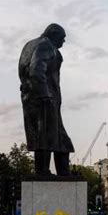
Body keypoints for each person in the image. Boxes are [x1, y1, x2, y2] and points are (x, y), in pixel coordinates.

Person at [19, 23, 74, 176]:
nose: (64, 42)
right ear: (54, 35)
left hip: (33, 96)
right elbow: (36, 70)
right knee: (46, 136)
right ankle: (45, 172)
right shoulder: (46, 46)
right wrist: (45, 94)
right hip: (44, 97)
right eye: (62, 38)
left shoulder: (31, 44)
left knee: (54, 137)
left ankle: (60, 171)